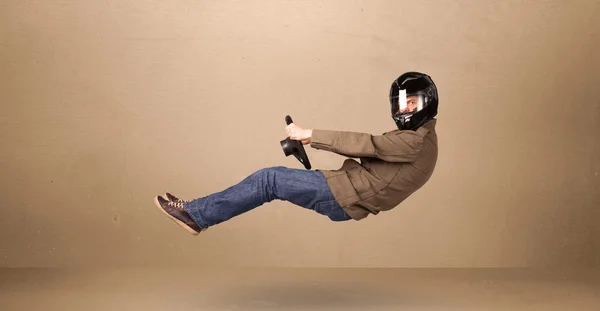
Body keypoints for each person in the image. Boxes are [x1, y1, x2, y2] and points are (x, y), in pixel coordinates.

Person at [153, 71, 439, 235]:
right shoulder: (416, 140)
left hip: (346, 195)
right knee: (271, 181)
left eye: (411, 103)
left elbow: (368, 143)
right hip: (346, 189)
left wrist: (310, 135)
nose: (404, 109)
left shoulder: (418, 142)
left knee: (269, 180)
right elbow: (376, 157)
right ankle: (195, 211)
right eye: (401, 103)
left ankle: (195, 214)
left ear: (427, 102)